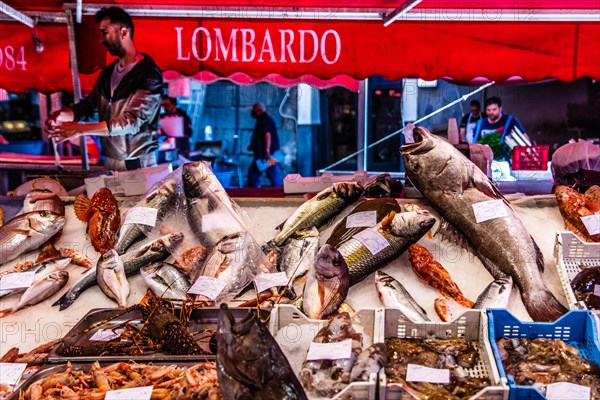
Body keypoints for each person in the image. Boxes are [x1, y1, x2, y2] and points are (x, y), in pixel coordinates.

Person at [46, 7, 163, 171]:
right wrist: (61, 116)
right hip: (110, 161)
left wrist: (81, 129)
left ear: (123, 32)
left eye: (105, 32)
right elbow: (87, 106)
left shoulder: (148, 73)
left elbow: (132, 122)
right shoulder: (108, 73)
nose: (101, 40)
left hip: (138, 162)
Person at [247, 102, 283, 188]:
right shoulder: (263, 120)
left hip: (266, 156)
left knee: (271, 177)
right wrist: (252, 145)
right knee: (256, 176)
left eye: (253, 110)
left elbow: (267, 135)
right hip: (264, 155)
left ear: (259, 110)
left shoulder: (264, 119)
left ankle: (279, 196)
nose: (252, 112)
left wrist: (267, 150)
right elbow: (261, 137)